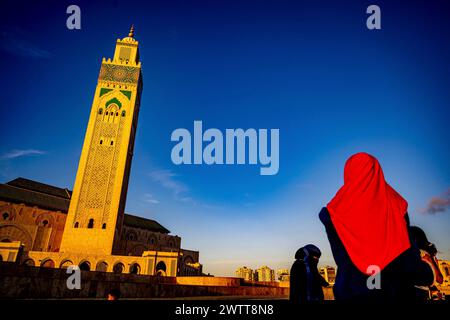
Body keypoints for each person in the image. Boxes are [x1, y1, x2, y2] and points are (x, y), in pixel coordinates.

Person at [319, 152, 433, 301]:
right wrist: (429, 272)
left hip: (350, 293)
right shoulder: (396, 208)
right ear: (378, 172)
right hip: (392, 293)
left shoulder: (333, 213)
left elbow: (343, 260)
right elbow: (408, 263)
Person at [410, 226, 444, 300]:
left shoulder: (427, 255)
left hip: (422, 293)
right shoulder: (407, 255)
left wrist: (430, 261)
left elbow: (440, 279)